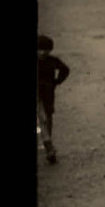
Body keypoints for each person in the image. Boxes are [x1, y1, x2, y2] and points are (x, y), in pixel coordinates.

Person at [37, 34, 71, 165]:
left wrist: (57, 82)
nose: (43, 52)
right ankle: (48, 146)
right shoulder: (51, 61)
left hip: (48, 94)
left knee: (47, 117)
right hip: (40, 94)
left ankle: (48, 142)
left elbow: (65, 70)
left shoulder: (52, 60)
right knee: (43, 118)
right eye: (40, 49)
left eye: (46, 49)